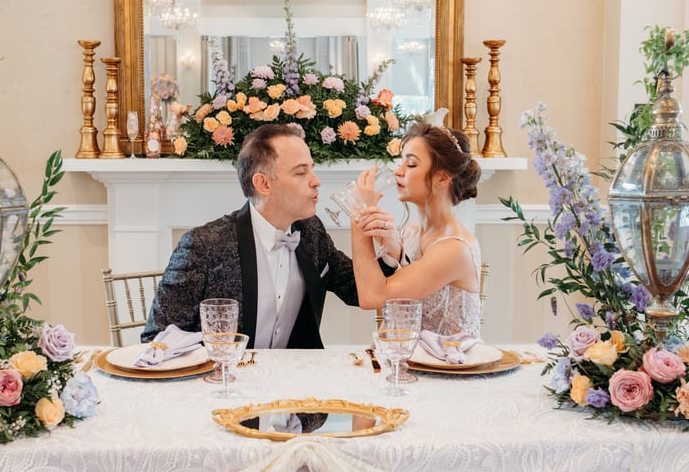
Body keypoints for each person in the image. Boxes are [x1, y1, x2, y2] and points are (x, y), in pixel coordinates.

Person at [142, 123, 364, 348]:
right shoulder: (203, 246)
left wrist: (389, 248)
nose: (316, 180)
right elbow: (157, 339)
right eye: (301, 171)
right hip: (222, 378)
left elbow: (359, 289)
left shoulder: (311, 231)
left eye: (312, 168)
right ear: (263, 184)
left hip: (295, 378)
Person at [350, 122, 483, 337]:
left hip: (448, 367)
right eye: (401, 162)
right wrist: (395, 249)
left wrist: (360, 215)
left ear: (442, 177)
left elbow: (372, 296)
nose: (399, 171)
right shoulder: (410, 232)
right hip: (408, 359)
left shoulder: (455, 248)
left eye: (411, 165)